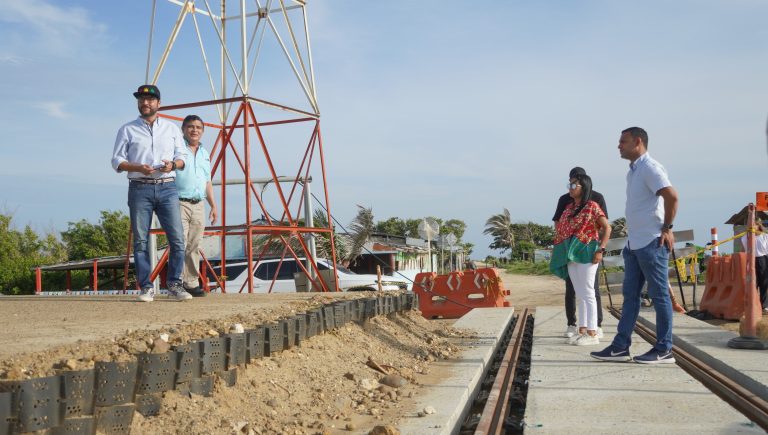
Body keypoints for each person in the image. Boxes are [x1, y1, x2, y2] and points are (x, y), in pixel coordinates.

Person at [591, 127, 678, 364]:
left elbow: (672, 196)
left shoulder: (650, 168)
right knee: (630, 297)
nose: (619, 145)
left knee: (659, 296)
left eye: (623, 141)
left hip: (652, 242)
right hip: (635, 244)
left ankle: (664, 349)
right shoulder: (633, 171)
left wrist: (667, 228)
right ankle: (620, 347)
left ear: (637, 142)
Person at [111, 84, 192, 302]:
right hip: (140, 188)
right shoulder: (127, 129)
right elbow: (116, 161)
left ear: (158, 103)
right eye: (141, 99)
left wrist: (173, 165)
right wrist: (137, 167)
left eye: (149, 99)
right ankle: (146, 286)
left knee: (177, 238)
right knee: (141, 241)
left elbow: (182, 157)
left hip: (167, 187)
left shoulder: (172, 128)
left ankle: (175, 284)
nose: (145, 103)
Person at [550, 174, 611, 346]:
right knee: (580, 292)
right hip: (572, 254)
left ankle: (592, 333)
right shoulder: (569, 207)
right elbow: (560, 229)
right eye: (569, 184)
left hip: (587, 252)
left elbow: (607, 227)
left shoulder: (592, 206)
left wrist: (601, 249)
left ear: (583, 187)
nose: (570, 187)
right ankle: (582, 330)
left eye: (573, 185)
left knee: (588, 292)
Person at [176, 115, 218, 297]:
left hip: (199, 203)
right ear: (183, 129)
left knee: (194, 244)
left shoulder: (204, 153)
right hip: (178, 201)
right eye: (191, 127)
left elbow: (207, 181)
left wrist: (214, 206)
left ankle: (191, 283)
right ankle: (176, 282)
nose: (194, 130)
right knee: (179, 243)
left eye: (198, 127)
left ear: (203, 131)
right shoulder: (176, 149)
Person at [741, 221, 768, 312]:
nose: (752, 226)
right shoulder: (746, 237)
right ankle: (753, 304)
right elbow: (744, 247)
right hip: (751, 259)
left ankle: (764, 305)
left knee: (764, 283)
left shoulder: (765, 236)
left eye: (754, 225)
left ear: (758, 226)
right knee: (753, 283)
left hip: (763, 259)